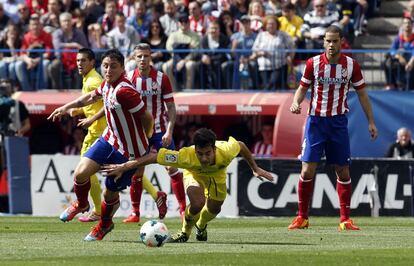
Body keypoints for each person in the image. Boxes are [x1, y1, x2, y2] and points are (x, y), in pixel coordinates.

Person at [48, 49, 154, 241]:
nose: (108, 69)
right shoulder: (106, 85)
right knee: (80, 173)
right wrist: (65, 107)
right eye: (105, 66)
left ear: (122, 67)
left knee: (109, 192)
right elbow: (89, 98)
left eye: (113, 66)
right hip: (109, 139)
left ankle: (104, 225)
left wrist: (144, 140)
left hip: (129, 151)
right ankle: (82, 204)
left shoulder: (125, 91)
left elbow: (147, 117)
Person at [102, 128, 274, 243]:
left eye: (207, 153)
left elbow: (242, 146)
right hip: (194, 174)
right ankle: (185, 232)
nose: (204, 158)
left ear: (214, 148)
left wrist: (255, 168)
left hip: (216, 177)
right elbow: (154, 157)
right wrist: (124, 166)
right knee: (198, 203)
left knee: (215, 209)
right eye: (200, 154)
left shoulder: (226, 150)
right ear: (195, 150)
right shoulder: (185, 156)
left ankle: (201, 225)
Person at [289, 25, 378, 231]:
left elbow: (363, 94)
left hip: (338, 123)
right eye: (328, 41)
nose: (331, 45)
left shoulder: (351, 65)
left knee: (343, 171)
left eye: (335, 41)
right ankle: (302, 217)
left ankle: (345, 219)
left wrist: (371, 122)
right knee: (307, 168)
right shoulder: (313, 63)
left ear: (341, 42)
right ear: (323, 42)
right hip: (316, 123)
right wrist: (296, 103)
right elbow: (302, 89)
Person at [125, 43, 185, 223]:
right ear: (134, 58)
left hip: (159, 132)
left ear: (151, 57)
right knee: (136, 172)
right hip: (138, 134)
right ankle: (135, 213)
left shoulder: (161, 78)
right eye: (139, 56)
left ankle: (183, 210)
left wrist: (169, 131)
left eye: (145, 56)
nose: (142, 59)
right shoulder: (128, 78)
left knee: (172, 168)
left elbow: (172, 107)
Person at [64, 48, 105, 222]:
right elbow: (93, 103)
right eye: (78, 60)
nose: (79, 64)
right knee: (132, 172)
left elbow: (109, 103)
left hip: (99, 133)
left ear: (92, 62)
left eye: (83, 61)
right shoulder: (88, 79)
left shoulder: (94, 81)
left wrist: (91, 119)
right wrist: (80, 110)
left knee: (85, 172)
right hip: (96, 132)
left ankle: (95, 209)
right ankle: (96, 209)